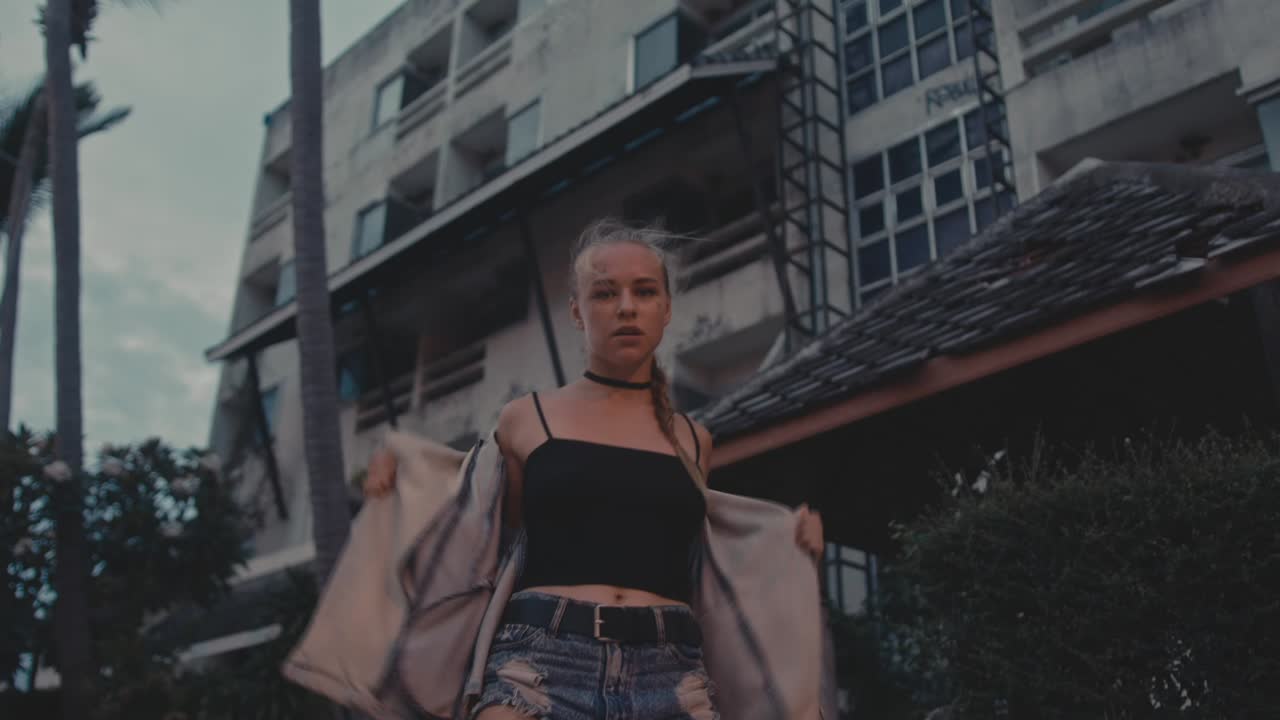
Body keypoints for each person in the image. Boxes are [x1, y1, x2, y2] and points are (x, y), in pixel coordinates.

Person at [362, 219, 825, 719]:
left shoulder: (695, 439)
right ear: (577, 313)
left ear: (666, 308)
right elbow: (482, 529)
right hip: (541, 664)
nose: (626, 307)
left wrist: (788, 543)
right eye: (604, 294)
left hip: (669, 674)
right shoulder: (526, 418)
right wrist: (402, 478)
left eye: (644, 291)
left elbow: (709, 564)